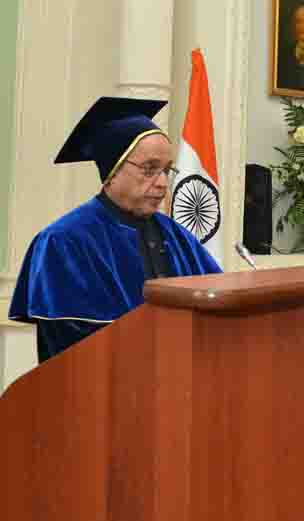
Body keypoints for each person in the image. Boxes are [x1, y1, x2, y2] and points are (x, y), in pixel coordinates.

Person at [8, 97, 222, 362]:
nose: (163, 183)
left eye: (167, 170)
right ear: (112, 171)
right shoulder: (64, 240)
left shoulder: (176, 235)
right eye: (149, 169)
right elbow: (72, 344)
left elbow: (218, 308)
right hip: (99, 392)